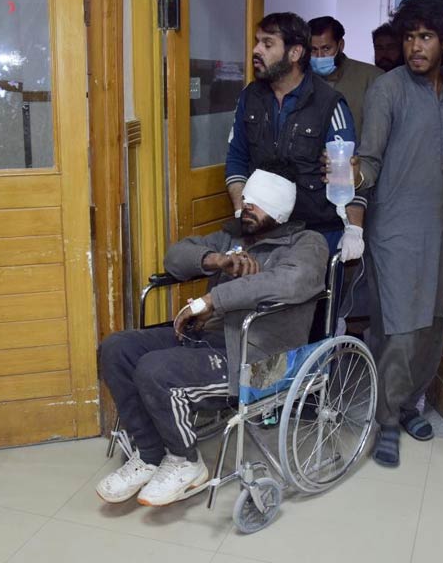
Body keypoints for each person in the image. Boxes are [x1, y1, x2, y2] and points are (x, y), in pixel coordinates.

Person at [96, 167, 328, 506]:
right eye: (247, 201)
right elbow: (174, 257)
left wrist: (212, 299)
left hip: (257, 357)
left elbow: (291, 283)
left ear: (279, 212)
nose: (247, 208)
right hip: (204, 339)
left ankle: (185, 461)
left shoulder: (306, 244)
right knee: (116, 349)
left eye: (258, 204)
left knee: (155, 370)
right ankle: (149, 454)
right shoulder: (230, 238)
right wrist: (216, 260)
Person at [355, 0, 443, 467]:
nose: (415, 47)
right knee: (400, 328)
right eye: (409, 37)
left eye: (425, 37)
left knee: (434, 324)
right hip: (395, 229)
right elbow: (370, 159)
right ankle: (386, 421)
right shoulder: (388, 90)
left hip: (442, 229)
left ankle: (408, 402)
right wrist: (351, 184)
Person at [225, 12, 365, 260]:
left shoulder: (329, 104)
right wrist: (241, 212)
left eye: (267, 44)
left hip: (317, 233)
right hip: (264, 232)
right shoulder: (250, 98)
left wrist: (354, 228)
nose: (256, 50)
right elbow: (237, 158)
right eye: (257, 41)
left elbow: (349, 174)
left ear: (295, 53)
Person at [309, 16, 383, 139]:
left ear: (340, 45)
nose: (319, 56)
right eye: (313, 50)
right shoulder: (300, 79)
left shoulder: (371, 78)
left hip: (354, 156)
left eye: (326, 49)